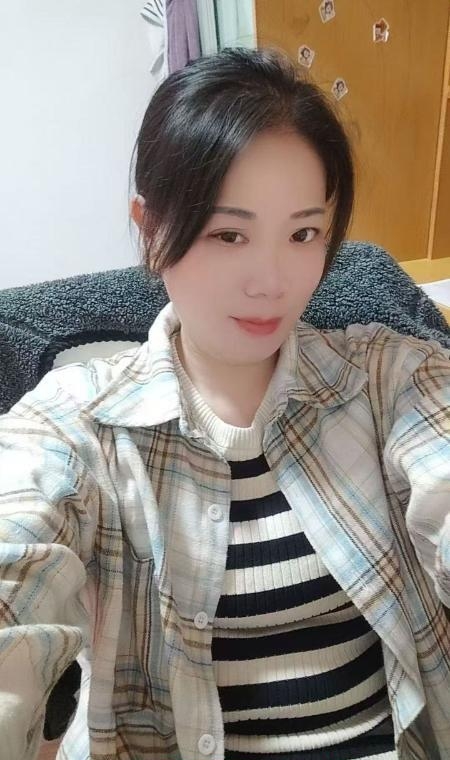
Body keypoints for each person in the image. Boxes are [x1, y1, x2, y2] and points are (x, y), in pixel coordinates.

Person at [0, 46, 449, 760]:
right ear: (151, 231)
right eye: (228, 234)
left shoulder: (390, 376)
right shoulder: (79, 421)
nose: (271, 280)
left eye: (303, 233)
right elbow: (16, 552)